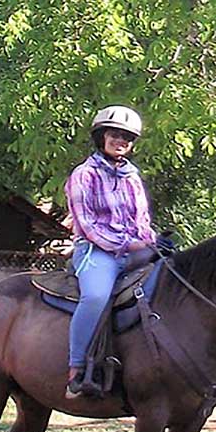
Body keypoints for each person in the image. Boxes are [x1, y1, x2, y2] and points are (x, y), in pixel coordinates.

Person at [63, 105, 156, 400]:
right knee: (95, 296)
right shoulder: (84, 175)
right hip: (96, 251)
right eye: (115, 135)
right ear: (101, 136)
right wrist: (127, 245)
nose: (121, 141)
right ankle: (77, 368)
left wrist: (151, 240)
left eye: (127, 137)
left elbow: (142, 219)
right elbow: (87, 224)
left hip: (136, 249)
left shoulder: (132, 177)